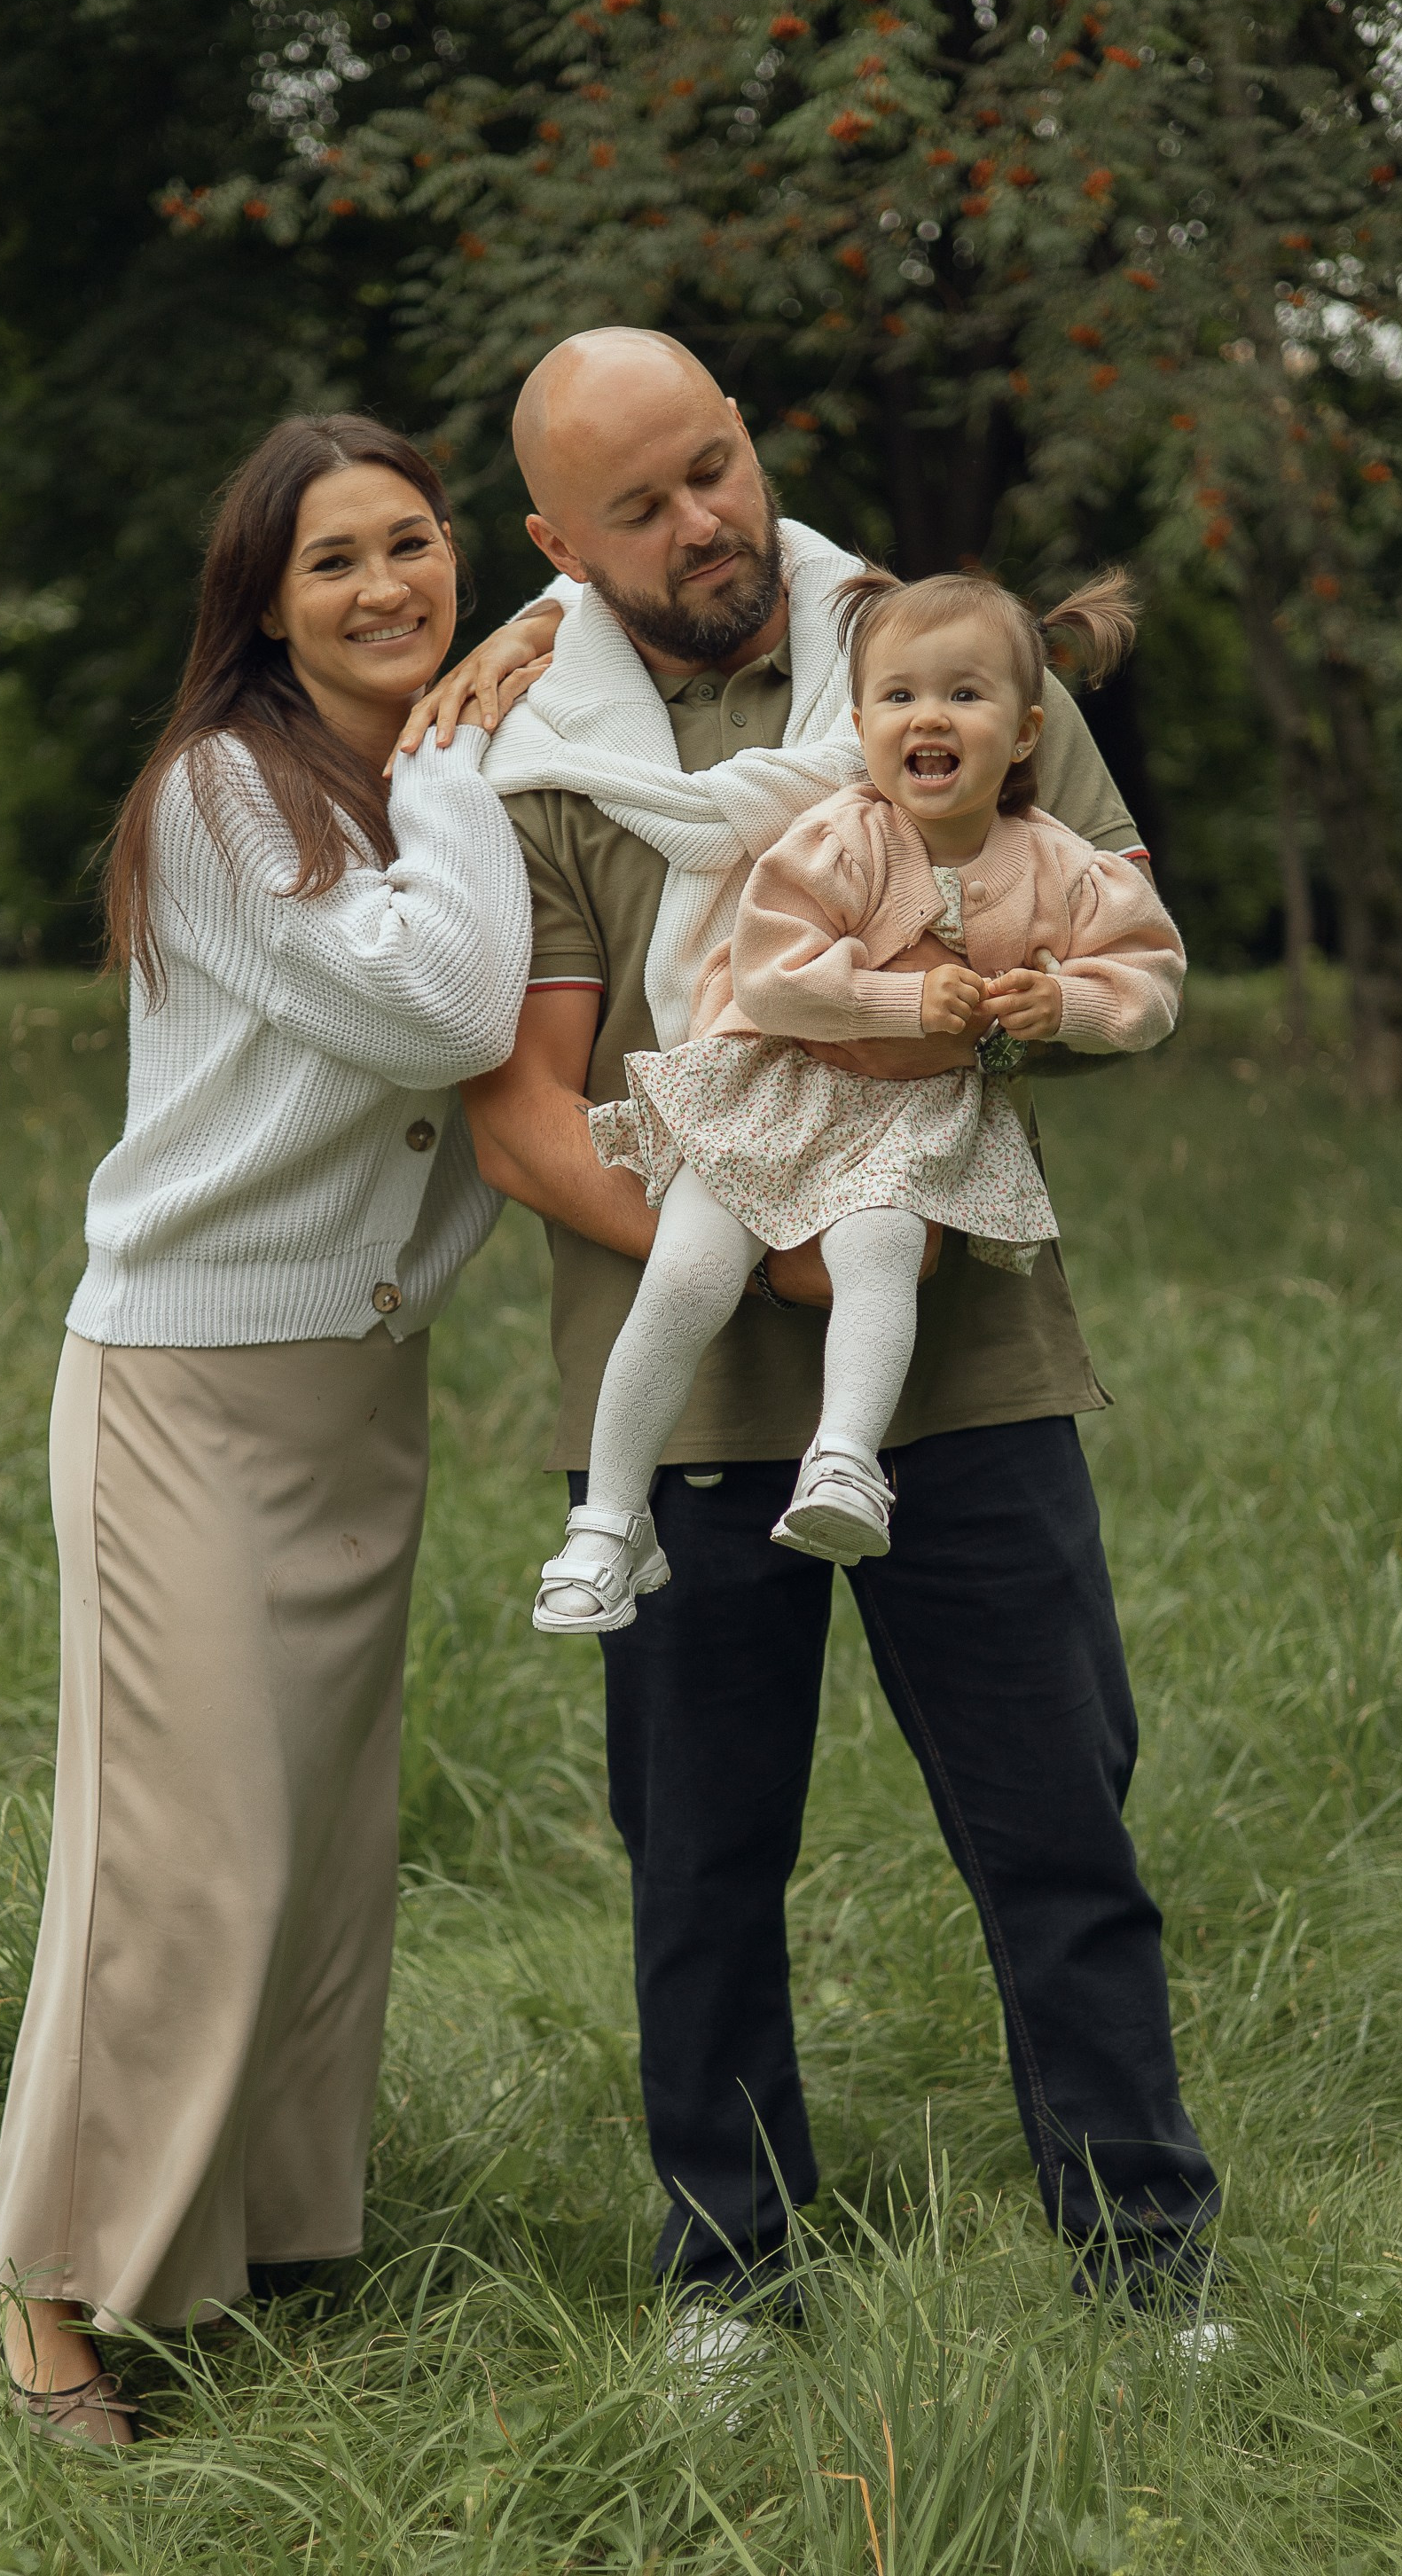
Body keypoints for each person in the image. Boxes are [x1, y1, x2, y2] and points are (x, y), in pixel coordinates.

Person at [436, 328, 1221, 2339]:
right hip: (686, 1356)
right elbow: (520, 1104)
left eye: (714, 464)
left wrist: (1031, 1010)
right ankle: (732, 2265)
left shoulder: (943, 656)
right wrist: (777, 1237)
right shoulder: (525, 752)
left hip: (955, 1347)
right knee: (700, 1858)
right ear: (552, 539)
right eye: (641, 502)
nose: (706, 519)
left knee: (1057, 1818)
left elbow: (1102, 932)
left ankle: (1142, 2254)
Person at [0, 414, 536, 2445]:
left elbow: (510, 1068)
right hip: (184, 1394)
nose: (387, 583)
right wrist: (470, 755)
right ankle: (50, 2291)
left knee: (318, 1846)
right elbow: (450, 1020)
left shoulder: (432, 787)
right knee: (183, 1857)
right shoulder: (223, 793)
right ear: (263, 605)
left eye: (413, 540)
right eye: (333, 562)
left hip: (353, 1389)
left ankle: (264, 2234)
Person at [532, 561, 1185, 1625]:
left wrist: (1061, 1001)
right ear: (861, 722)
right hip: (772, 1088)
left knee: (881, 1247)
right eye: (898, 696)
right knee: (689, 1272)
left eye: (962, 695)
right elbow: (769, 973)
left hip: (905, 1119)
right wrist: (900, 1001)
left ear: (1024, 733)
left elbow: (1150, 974)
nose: (927, 717)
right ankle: (609, 1522)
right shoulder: (841, 833)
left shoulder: (1056, 863)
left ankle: (843, 1463)